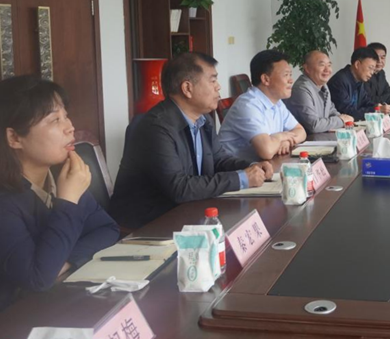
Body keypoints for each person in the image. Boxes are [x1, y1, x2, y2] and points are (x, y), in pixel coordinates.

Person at [0, 76, 120, 336]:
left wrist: (63, 261)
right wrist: (68, 201)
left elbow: (107, 230)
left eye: (66, 116)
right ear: (14, 137)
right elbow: (39, 277)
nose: (70, 127)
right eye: (54, 120)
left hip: (47, 312)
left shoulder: (58, 176)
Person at [110, 53, 273, 229]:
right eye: (212, 80)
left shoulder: (203, 120)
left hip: (188, 212)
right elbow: (179, 188)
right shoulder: (156, 127)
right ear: (187, 88)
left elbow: (219, 161)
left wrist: (253, 167)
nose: (218, 87)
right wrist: (241, 178)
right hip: (147, 224)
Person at [219, 49, 307, 161]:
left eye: (290, 75)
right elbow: (267, 151)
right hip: (236, 170)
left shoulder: (277, 102)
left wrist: (286, 141)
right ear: (266, 79)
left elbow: (301, 131)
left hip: (262, 166)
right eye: (286, 75)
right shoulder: (248, 105)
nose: (291, 80)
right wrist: (281, 136)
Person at [285, 50, 354, 133]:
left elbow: (331, 110)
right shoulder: (301, 89)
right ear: (307, 68)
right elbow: (314, 125)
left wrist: (343, 118)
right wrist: (341, 120)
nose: (327, 69)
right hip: (306, 139)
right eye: (322, 65)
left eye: (329, 65)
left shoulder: (323, 85)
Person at [328, 47, 384, 120]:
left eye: (373, 69)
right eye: (370, 68)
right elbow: (347, 112)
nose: (372, 73)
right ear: (357, 64)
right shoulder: (339, 81)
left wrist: (377, 106)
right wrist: (375, 110)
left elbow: (366, 102)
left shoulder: (359, 80)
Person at [364, 42, 390, 108]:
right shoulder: (364, 74)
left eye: (383, 57)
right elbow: (369, 99)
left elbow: (389, 94)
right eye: (376, 57)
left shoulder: (381, 73)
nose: (379, 61)